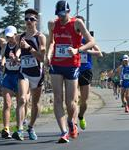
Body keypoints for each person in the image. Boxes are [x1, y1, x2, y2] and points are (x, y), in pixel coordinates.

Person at [47, 0, 95, 143]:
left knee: (71, 102)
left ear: (68, 12)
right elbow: (51, 42)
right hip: (56, 64)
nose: (61, 18)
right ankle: (63, 132)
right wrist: (48, 56)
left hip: (72, 66)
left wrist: (77, 50)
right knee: (57, 98)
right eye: (59, 15)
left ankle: (71, 121)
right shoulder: (52, 24)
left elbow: (92, 41)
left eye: (63, 14)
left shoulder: (77, 24)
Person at [12, 8, 46, 141]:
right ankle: (19, 129)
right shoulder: (20, 37)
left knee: (35, 103)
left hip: (37, 74)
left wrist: (29, 48)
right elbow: (18, 51)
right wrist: (15, 57)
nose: (28, 21)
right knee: (22, 99)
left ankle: (31, 126)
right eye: (26, 19)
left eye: (31, 19)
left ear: (36, 21)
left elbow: (42, 58)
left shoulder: (40, 37)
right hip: (24, 72)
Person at [76, 15, 103, 130]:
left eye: (80, 23)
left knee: (84, 100)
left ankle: (81, 116)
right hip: (73, 69)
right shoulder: (71, 38)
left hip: (86, 70)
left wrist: (86, 49)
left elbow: (99, 53)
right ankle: (73, 123)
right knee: (73, 99)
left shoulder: (87, 39)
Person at [1, 26, 20, 139]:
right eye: (7, 36)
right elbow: (3, 57)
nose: (9, 39)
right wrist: (2, 62)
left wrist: (16, 58)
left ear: (15, 34)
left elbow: (22, 58)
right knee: (7, 103)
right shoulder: (5, 46)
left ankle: (19, 127)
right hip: (8, 76)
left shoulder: (20, 45)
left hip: (19, 77)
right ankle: (6, 128)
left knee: (20, 103)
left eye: (11, 36)